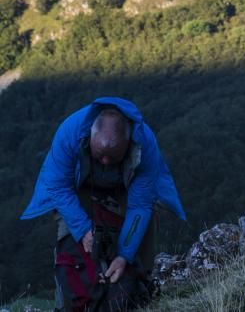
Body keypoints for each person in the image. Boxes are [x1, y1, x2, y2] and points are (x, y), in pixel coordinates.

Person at [22, 96, 186, 311]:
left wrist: (124, 255)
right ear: (90, 136)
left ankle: (141, 289)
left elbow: (140, 207)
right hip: (76, 188)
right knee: (70, 242)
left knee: (140, 235)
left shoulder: (145, 145)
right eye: (100, 155)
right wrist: (82, 230)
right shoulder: (69, 133)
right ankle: (68, 304)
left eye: (113, 157)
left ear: (128, 143)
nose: (106, 162)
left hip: (124, 187)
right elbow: (59, 187)